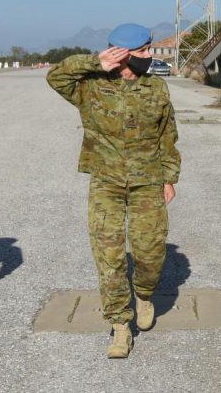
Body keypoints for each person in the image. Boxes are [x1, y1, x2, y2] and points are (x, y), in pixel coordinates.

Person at [46, 23, 181, 357]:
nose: (150, 56)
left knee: (150, 252)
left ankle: (145, 293)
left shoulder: (156, 88)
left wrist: (169, 177)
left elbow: (168, 135)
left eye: (150, 49)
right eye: (144, 51)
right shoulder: (90, 87)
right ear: (122, 54)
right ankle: (120, 326)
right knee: (109, 256)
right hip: (106, 180)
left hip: (148, 180)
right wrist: (95, 62)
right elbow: (56, 76)